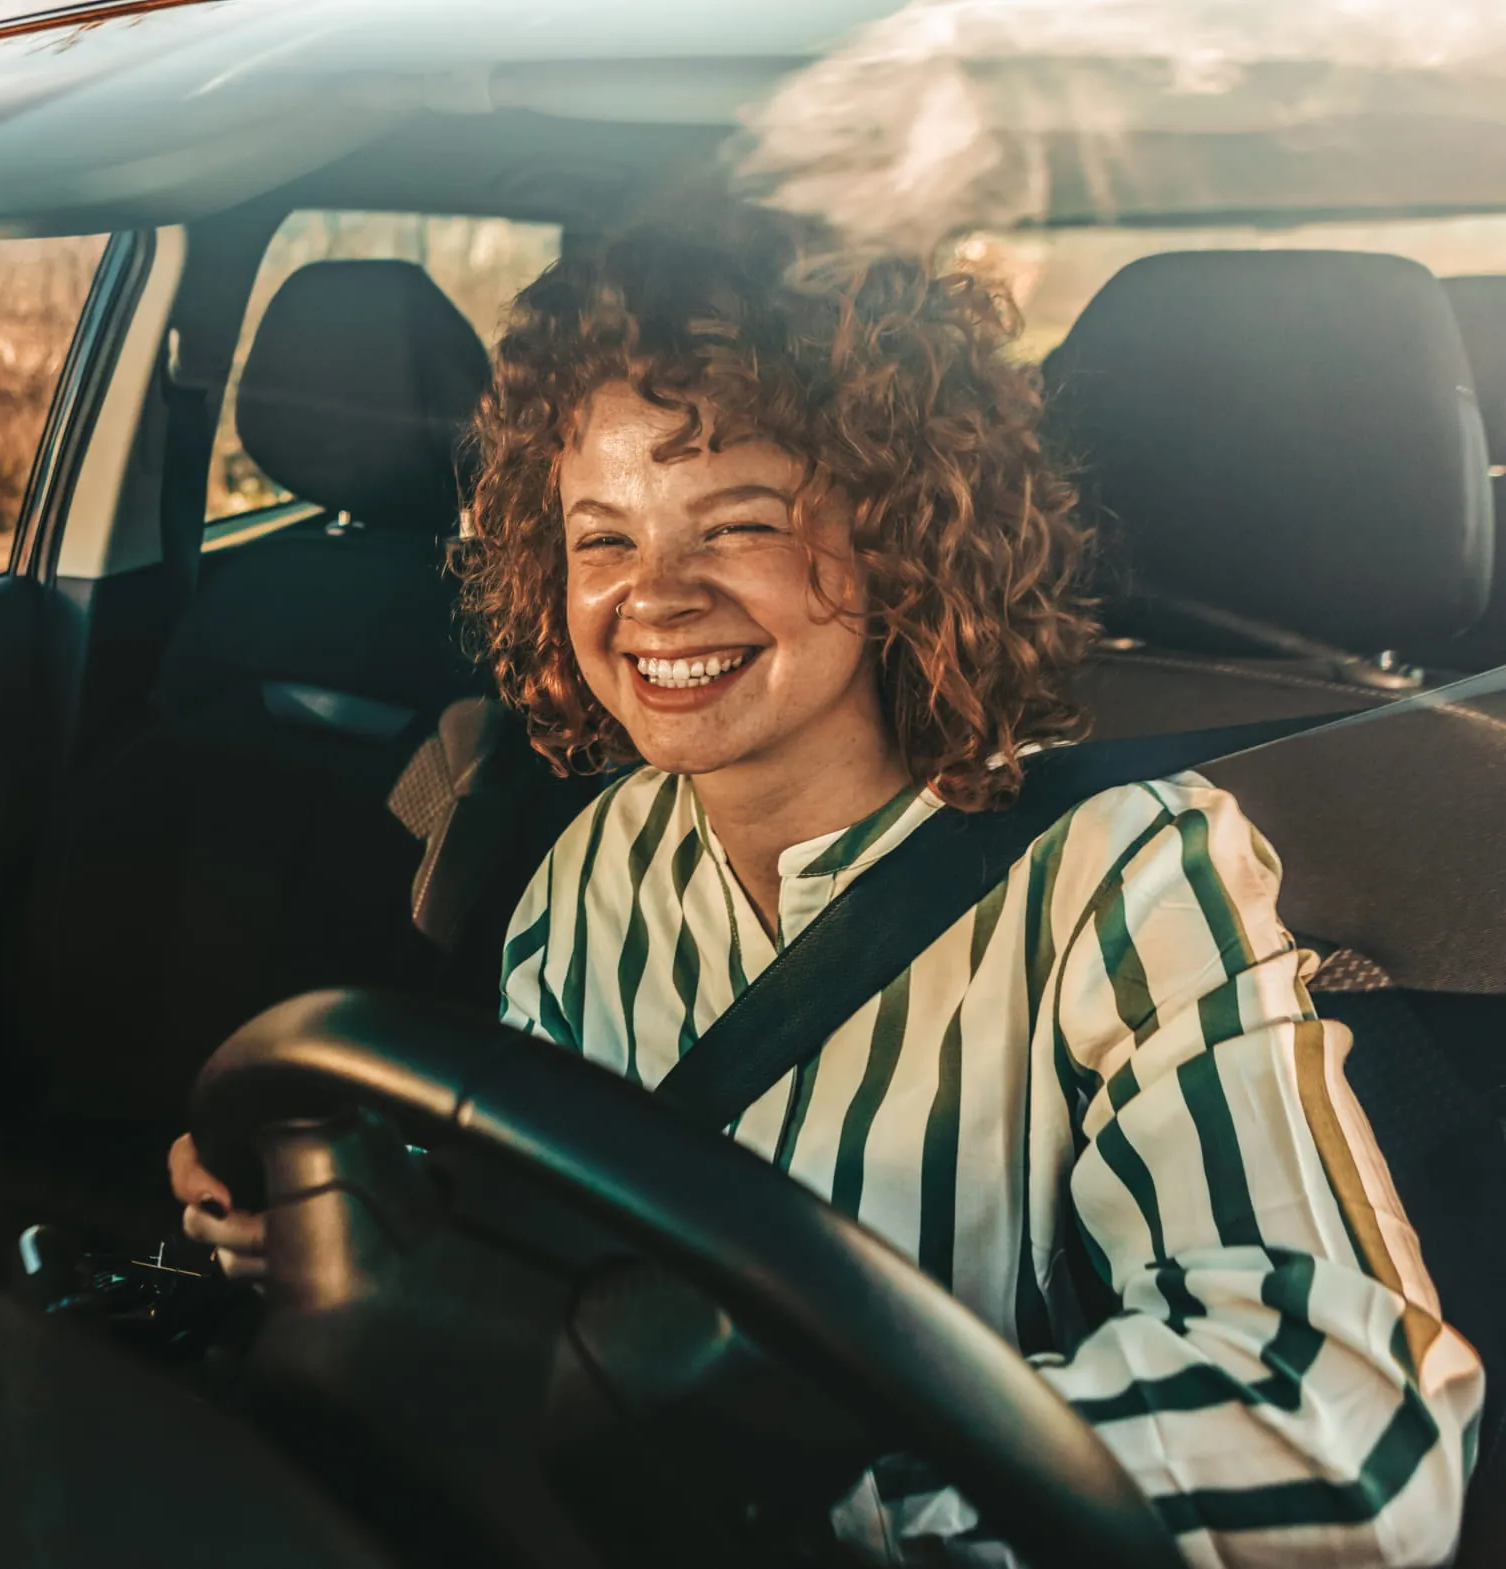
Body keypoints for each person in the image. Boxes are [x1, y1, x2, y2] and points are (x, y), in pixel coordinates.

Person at [171, 201, 1483, 1564]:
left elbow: (1347, 1430)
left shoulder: (1121, 875)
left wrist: (812, 1502)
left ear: (902, 539)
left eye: (736, 526)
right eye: (603, 539)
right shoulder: (586, 869)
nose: (655, 599)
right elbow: (544, 1257)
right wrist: (351, 1224)